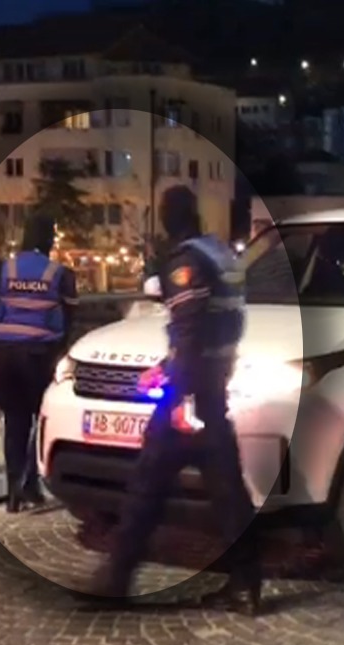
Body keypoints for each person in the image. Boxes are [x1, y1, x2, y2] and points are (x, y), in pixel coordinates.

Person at [82, 185, 262, 615]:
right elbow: (226, 322)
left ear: (167, 217)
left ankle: (115, 580)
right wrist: (169, 368)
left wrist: (177, 392)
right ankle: (246, 585)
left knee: (146, 486)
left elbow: (189, 327)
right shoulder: (220, 254)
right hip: (213, 386)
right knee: (228, 493)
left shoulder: (184, 260)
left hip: (188, 394)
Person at [0, 217, 77, 512]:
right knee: (40, 418)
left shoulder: (2, 268)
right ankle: (30, 484)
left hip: (2, 355)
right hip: (39, 356)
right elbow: (69, 319)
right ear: (49, 241)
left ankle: (14, 492)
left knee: (15, 422)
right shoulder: (61, 274)